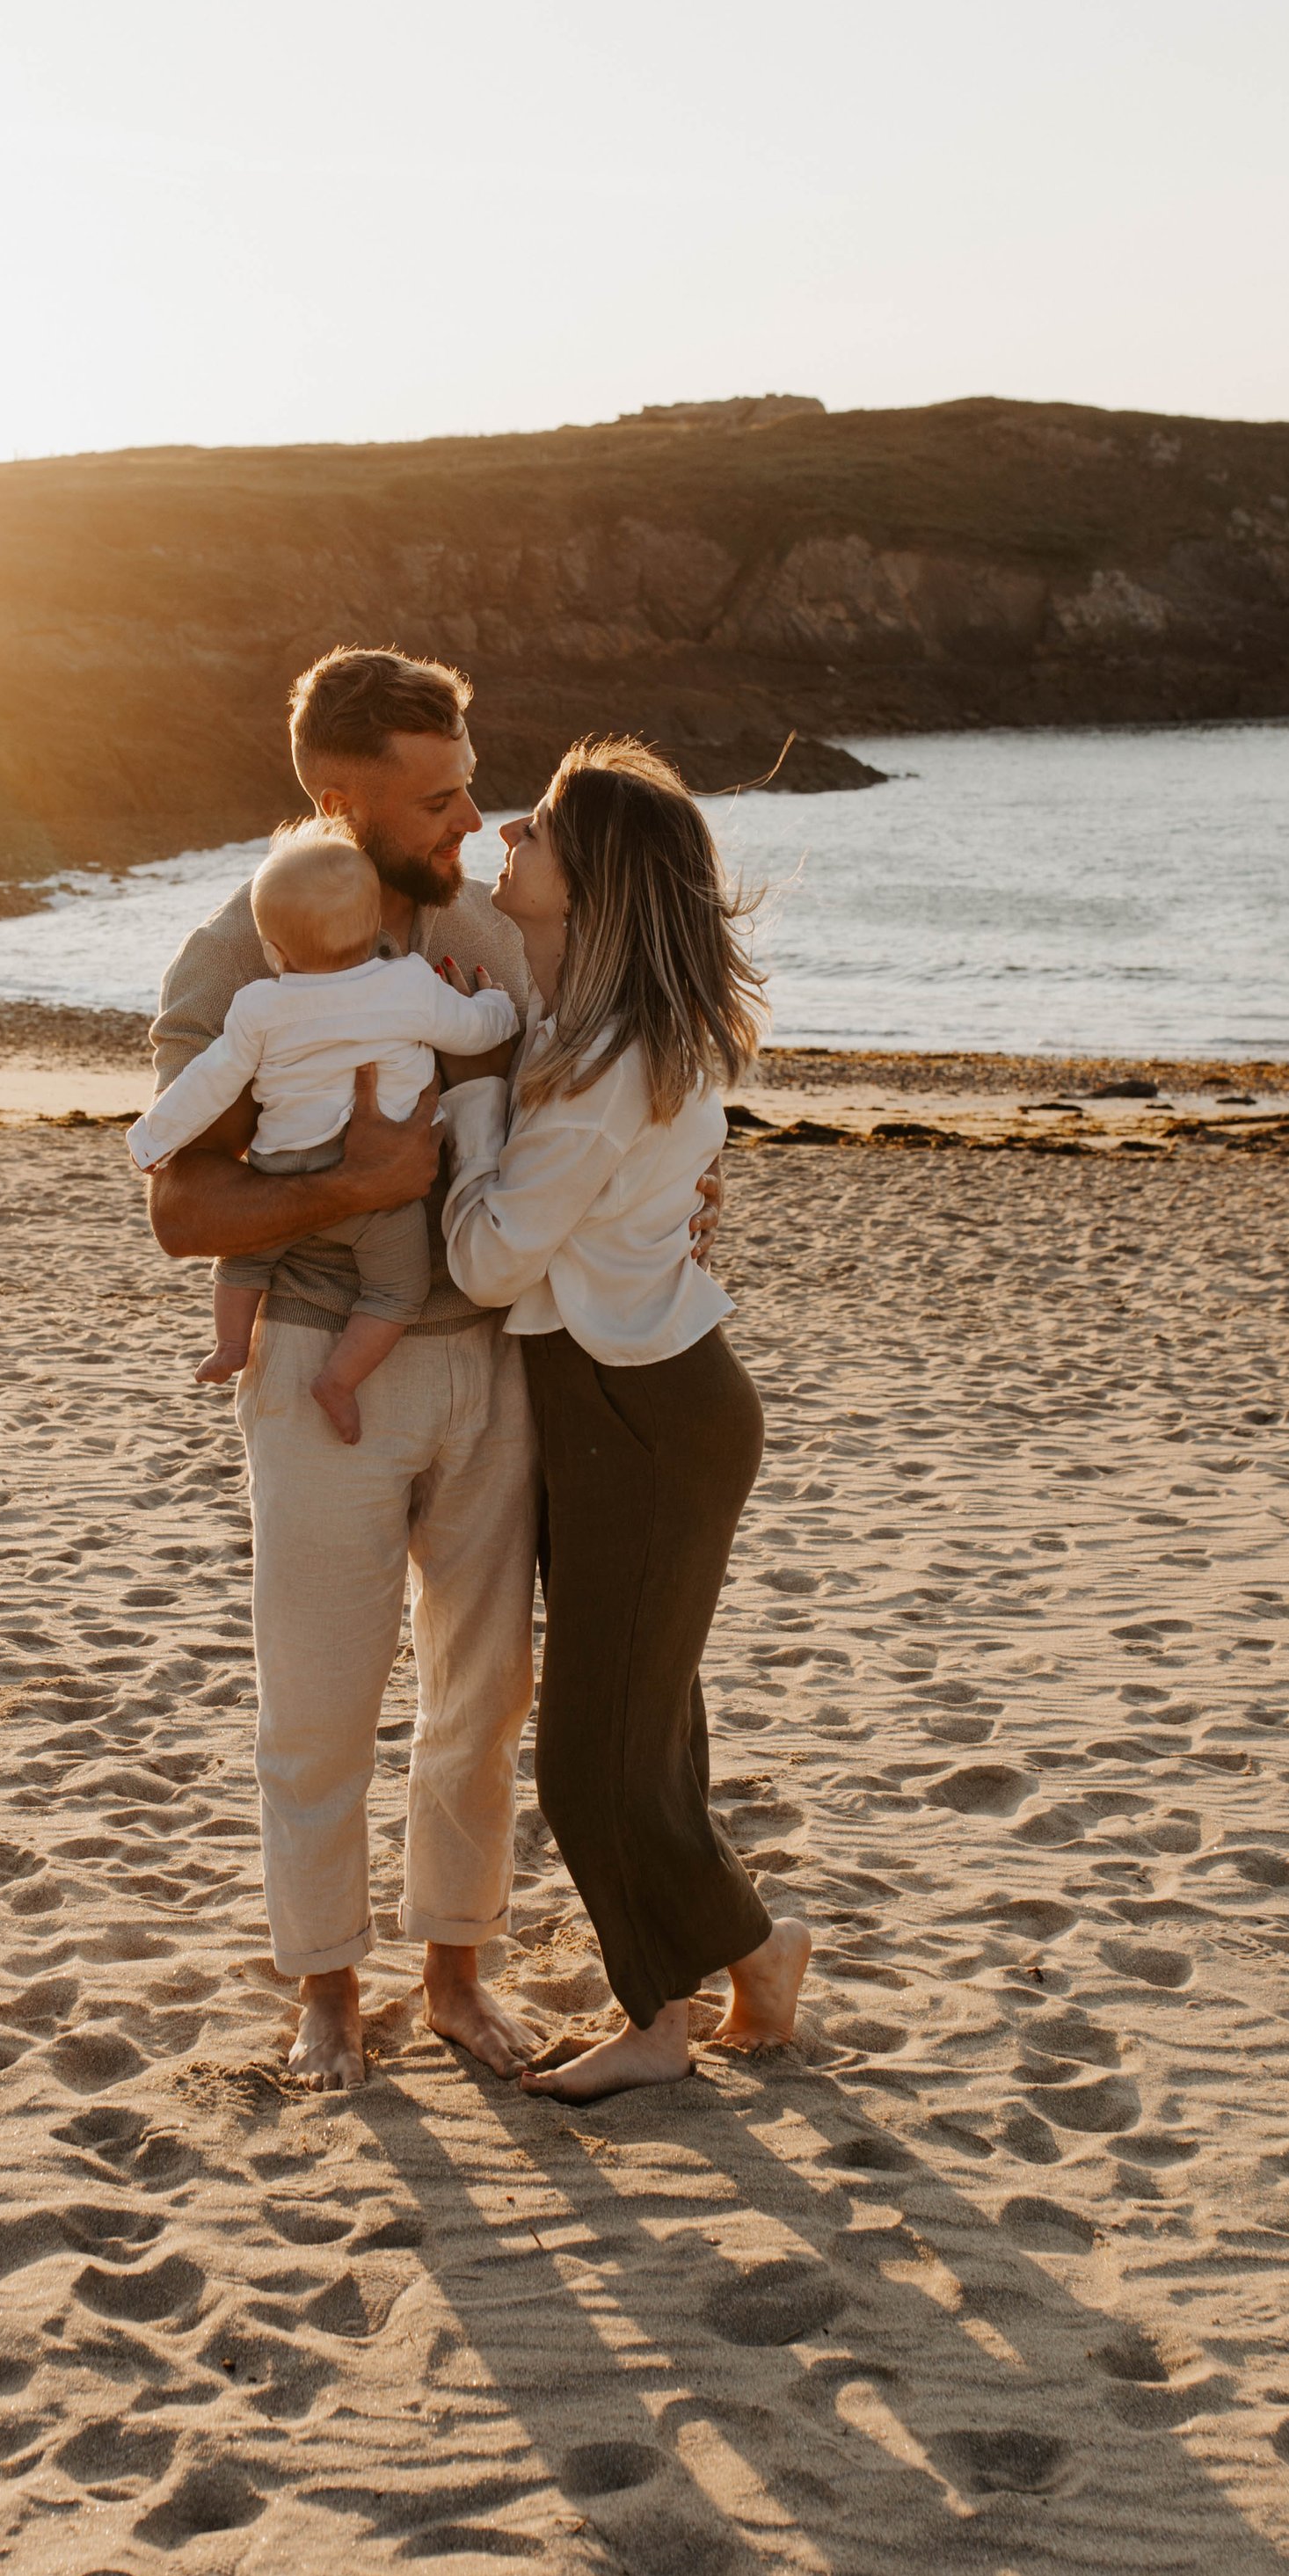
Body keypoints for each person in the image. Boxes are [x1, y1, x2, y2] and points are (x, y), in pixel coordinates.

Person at [145, 646, 547, 2092]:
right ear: (340, 797)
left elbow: (595, 1100)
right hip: (325, 1367)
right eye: (437, 801)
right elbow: (181, 1209)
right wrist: (355, 1182)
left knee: (483, 1696)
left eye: (468, 788)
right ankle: (325, 1986)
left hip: (491, 1368)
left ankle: (454, 1973)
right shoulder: (234, 956)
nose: (469, 824)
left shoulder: (491, 936)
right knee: (319, 1701)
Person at [437, 736, 811, 2099]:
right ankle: (757, 1964)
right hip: (627, 1401)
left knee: (593, 1752)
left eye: (536, 830)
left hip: (641, 1411)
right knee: (644, 1726)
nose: (506, 839)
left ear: (591, 882)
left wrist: (473, 1112)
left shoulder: (593, 1067)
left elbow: (486, 1264)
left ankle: (659, 2020)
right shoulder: (588, 1026)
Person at [127, 826, 520, 1441]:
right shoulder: (411, 982)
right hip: (387, 1197)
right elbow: (473, 1031)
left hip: (284, 1169)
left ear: (277, 952)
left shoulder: (259, 1004)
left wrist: (154, 1139)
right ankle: (338, 1380)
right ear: (376, 932)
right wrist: (500, 1007)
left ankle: (230, 1345)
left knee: (242, 1261)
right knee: (395, 1292)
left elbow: (209, 1079)